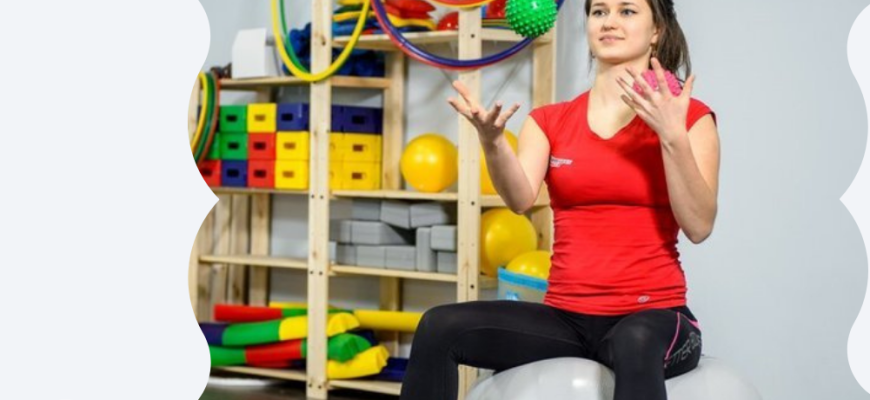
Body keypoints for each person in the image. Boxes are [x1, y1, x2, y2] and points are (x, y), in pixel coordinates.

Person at [399, 0, 720, 399]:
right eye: (598, 11)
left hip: (655, 316)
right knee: (439, 326)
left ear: (657, 30)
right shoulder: (549, 120)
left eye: (627, 11)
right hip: (566, 318)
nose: (609, 22)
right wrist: (493, 143)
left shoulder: (691, 119)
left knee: (634, 340)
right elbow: (519, 199)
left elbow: (699, 225)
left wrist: (672, 137)